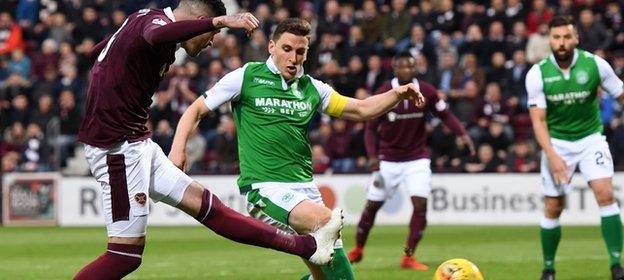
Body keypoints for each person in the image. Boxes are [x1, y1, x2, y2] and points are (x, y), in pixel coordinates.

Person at [74, 2, 342, 279]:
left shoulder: (142, 20)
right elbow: (156, 36)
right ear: (200, 20)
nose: (211, 42)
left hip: (139, 143)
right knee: (123, 256)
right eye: (210, 33)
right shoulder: (155, 27)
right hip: (117, 150)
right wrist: (219, 22)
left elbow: (98, 52)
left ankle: (308, 245)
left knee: (210, 207)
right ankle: (308, 245)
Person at [169, 18, 425, 280]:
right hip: (265, 188)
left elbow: (360, 109)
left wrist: (397, 94)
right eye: (286, 49)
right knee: (326, 221)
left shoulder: (312, 88)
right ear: (272, 46)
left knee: (331, 277)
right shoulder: (247, 76)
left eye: (300, 51)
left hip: (306, 191)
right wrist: (178, 150)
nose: (293, 58)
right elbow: (196, 109)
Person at [347, 52, 475, 270]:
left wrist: (462, 134)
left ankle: (409, 256)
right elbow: (370, 129)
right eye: (402, 66)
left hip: (417, 158)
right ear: (395, 69)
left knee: (420, 205)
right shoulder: (384, 91)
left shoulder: (426, 91)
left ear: (416, 68)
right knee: (372, 206)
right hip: (388, 159)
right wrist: (372, 158)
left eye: (410, 66)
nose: (406, 70)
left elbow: (446, 115)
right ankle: (358, 249)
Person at [525, 15, 624, 280]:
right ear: (549, 39)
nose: (561, 43)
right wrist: (553, 156)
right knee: (554, 207)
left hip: (591, 139)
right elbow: (538, 122)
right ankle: (548, 269)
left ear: (576, 38)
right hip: (557, 143)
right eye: (556, 37)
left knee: (605, 194)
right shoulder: (537, 73)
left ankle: (616, 265)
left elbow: (620, 93)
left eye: (567, 37)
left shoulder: (595, 65)